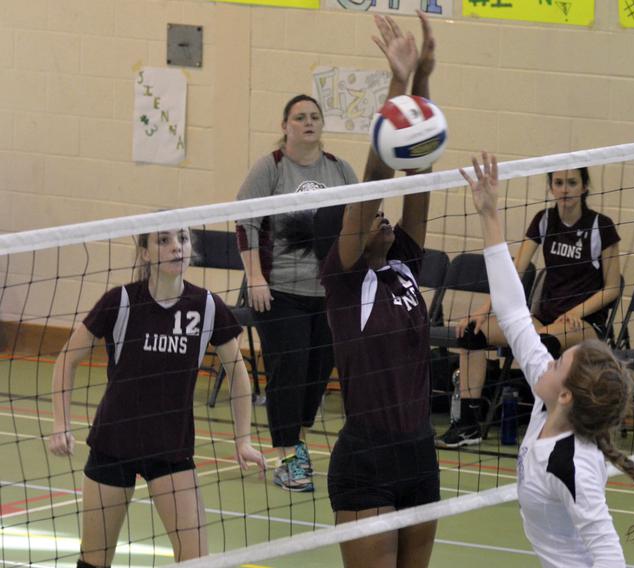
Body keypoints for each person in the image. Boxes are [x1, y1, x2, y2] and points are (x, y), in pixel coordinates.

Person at [459, 152, 634, 567]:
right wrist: (489, 213)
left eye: (556, 362)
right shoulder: (545, 401)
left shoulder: (574, 463)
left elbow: (608, 556)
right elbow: (514, 313)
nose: (544, 362)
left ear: (565, 394)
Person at [48, 228, 266, 568]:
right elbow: (67, 359)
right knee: (93, 562)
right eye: (163, 240)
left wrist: (243, 440)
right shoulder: (120, 301)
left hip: (170, 448)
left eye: (183, 239)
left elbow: (239, 375)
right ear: (146, 253)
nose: (176, 247)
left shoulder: (207, 306)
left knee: (195, 560)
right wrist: (61, 424)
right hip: (113, 444)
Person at [320, 12, 438, 568]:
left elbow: (422, 178)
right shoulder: (345, 281)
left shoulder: (405, 266)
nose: (384, 219)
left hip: (420, 454)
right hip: (365, 459)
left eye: (385, 218)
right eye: (372, 220)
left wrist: (424, 82)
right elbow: (373, 184)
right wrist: (395, 87)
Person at [438, 165, 622, 447]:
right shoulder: (544, 220)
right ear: (551, 188)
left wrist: (575, 312)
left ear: (584, 187)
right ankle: (469, 424)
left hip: (583, 324)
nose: (564, 189)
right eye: (558, 183)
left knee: (545, 342)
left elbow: (612, 288)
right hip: (543, 317)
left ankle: (549, 424)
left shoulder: (601, 226)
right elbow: (514, 270)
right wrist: (482, 311)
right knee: (472, 333)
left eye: (571, 183)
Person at [236, 76, 359, 492]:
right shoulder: (270, 167)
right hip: (280, 292)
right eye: (299, 117)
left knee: (316, 375)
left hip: (328, 293)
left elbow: (358, 225)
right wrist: (255, 277)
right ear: (285, 126)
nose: (308, 122)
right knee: (288, 373)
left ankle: (298, 439)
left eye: (314, 116)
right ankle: (290, 454)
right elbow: (245, 221)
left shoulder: (341, 170)